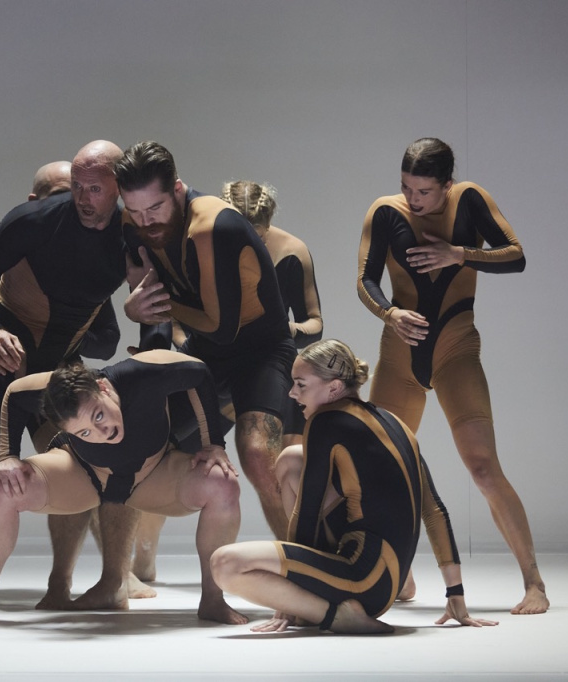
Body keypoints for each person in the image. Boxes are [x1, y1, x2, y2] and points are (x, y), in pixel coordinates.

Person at [0, 140, 145, 610]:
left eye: (94, 189)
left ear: (118, 187)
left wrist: (150, 351)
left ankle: (64, 583)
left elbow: (147, 307)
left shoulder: (132, 233)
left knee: (80, 467)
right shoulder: (35, 220)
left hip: (56, 374)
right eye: (77, 186)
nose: (82, 198)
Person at [356, 137, 547, 614]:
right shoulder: (385, 211)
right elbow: (365, 279)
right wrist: (390, 313)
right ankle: (398, 576)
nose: (413, 198)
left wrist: (459, 253)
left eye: (423, 190)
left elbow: (516, 255)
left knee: (483, 468)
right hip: (400, 355)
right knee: (379, 469)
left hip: (456, 349)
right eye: (406, 187)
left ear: (447, 183)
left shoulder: (470, 199)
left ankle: (534, 584)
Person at [210, 339, 499, 634]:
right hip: (386, 581)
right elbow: (435, 511)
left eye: (301, 384)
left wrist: (290, 595)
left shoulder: (326, 421)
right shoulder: (394, 422)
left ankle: (336, 615)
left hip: (363, 582)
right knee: (292, 458)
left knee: (224, 564)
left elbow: (307, 514)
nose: (292, 393)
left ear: (334, 388)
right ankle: (383, 590)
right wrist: (455, 594)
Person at [0, 350, 245, 626]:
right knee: (3, 488)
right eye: (85, 432)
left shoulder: (140, 374)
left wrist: (213, 444)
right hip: (81, 473)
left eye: (99, 415)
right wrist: (7, 456)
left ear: (102, 388)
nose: (103, 432)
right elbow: (14, 393)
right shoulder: (52, 393)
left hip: (153, 473)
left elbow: (198, 372)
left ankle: (213, 600)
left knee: (222, 482)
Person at [117, 141, 297, 547]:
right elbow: (150, 306)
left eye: (156, 208)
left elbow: (221, 327)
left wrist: (140, 306)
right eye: (135, 210)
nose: (146, 221)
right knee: (136, 439)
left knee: (257, 454)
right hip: (206, 353)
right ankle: (126, 567)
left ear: (178, 190)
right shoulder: (133, 223)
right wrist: (151, 356)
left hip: (262, 352)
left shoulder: (214, 226)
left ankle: (306, 568)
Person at [221, 180, 322, 448]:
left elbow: (315, 324)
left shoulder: (292, 252)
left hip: (268, 363)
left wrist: (283, 329)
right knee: (163, 449)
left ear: (267, 227)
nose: (246, 246)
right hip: (215, 364)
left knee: (287, 455)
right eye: (235, 237)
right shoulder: (202, 245)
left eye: (256, 238)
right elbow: (178, 318)